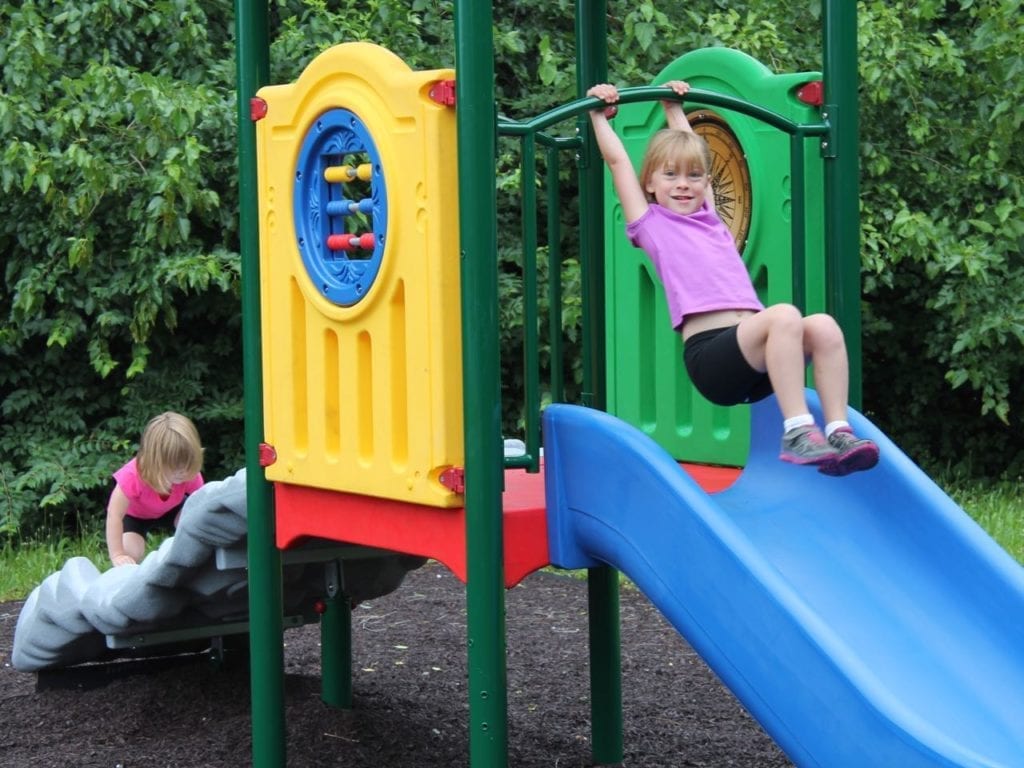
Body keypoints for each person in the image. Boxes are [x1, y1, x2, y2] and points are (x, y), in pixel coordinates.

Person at [587, 80, 878, 476]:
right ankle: (796, 430)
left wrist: (675, 109)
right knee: (785, 315)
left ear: (707, 184)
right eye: (670, 175)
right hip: (712, 360)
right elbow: (619, 164)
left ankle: (839, 431)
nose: (684, 184)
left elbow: (697, 153)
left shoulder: (711, 221)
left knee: (824, 326)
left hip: (756, 363)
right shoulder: (651, 225)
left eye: (693, 177)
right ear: (650, 185)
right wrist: (596, 116)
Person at [106, 412, 205, 566]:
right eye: (174, 466)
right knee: (131, 552)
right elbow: (114, 515)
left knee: (191, 519)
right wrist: (118, 555)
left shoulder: (190, 473)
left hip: (173, 509)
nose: (182, 472)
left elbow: (203, 504)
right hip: (136, 517)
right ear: (155, 461)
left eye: (186, 464)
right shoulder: (132, 475)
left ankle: (188, 561)